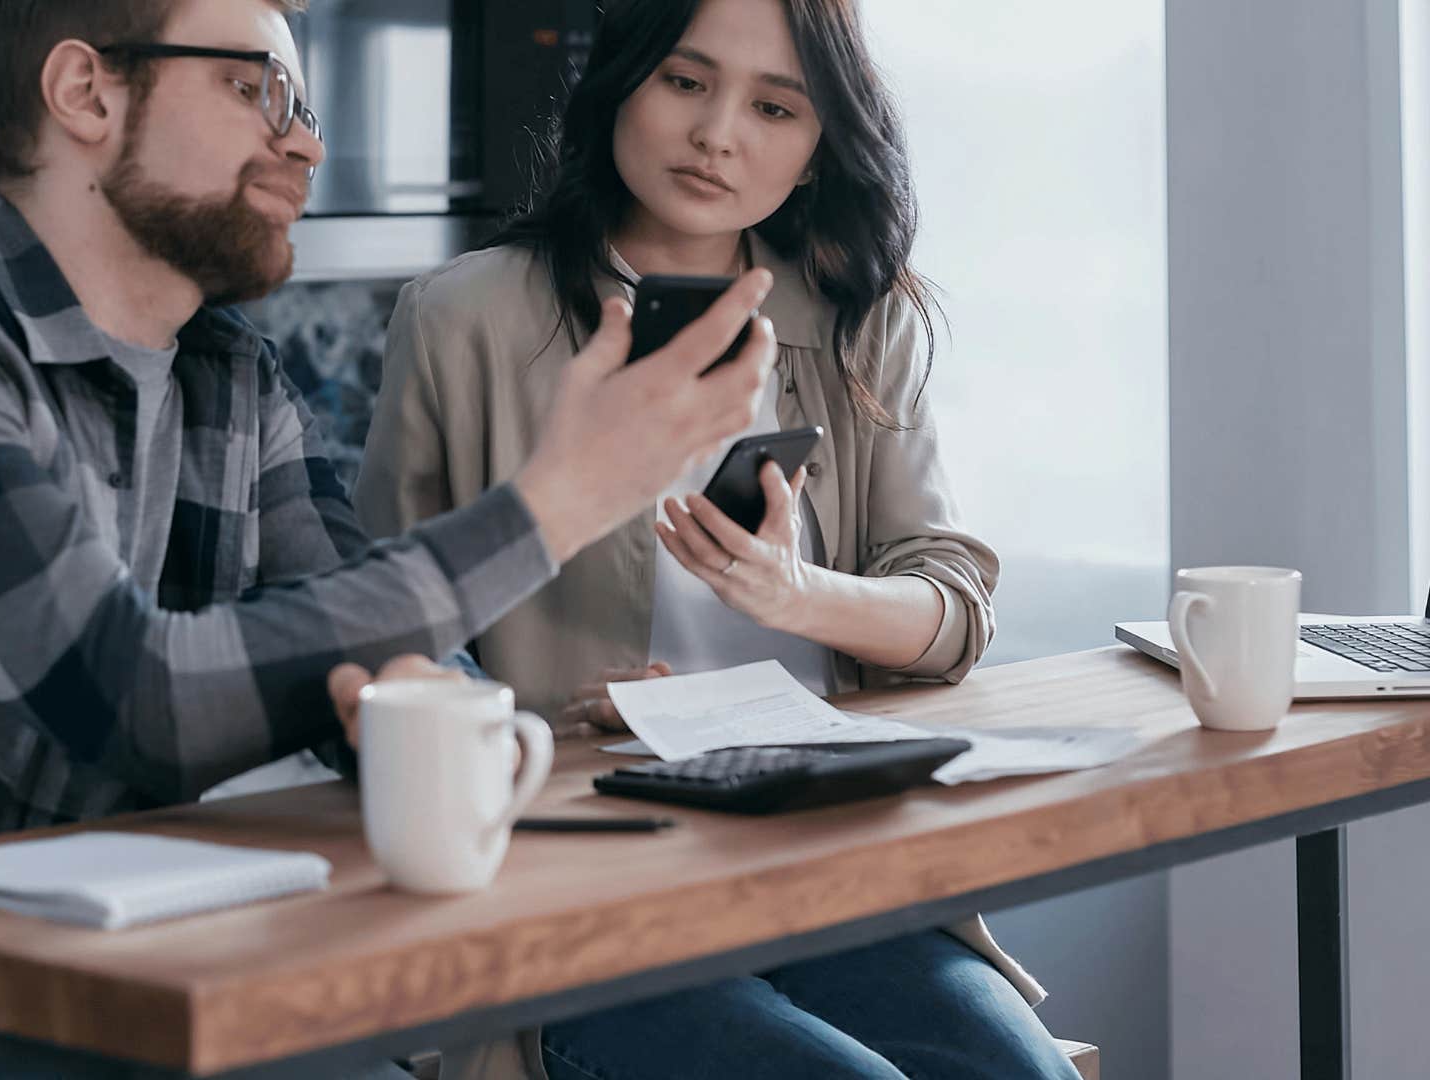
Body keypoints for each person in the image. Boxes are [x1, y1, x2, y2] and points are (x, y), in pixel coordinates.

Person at [0, 1, 781, 1076]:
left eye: (306, 100)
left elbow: (355, 634)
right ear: (88, 90)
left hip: (68, 1009)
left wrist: (472, 706)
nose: (304, 141)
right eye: (259, 88)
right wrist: (563, 495)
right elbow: (136, 693)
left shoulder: (229, 379)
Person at [355, 0, 1078, 1077]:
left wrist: (800, 597)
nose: (717, 133)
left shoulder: (854, 320)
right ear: (624, 81)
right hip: (582, 908)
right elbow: (384, 635)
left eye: (774, 106)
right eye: (685, 82)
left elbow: (952, 613)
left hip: (833, 874)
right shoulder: (463, 320)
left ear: (818, 149)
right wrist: (537, 719)